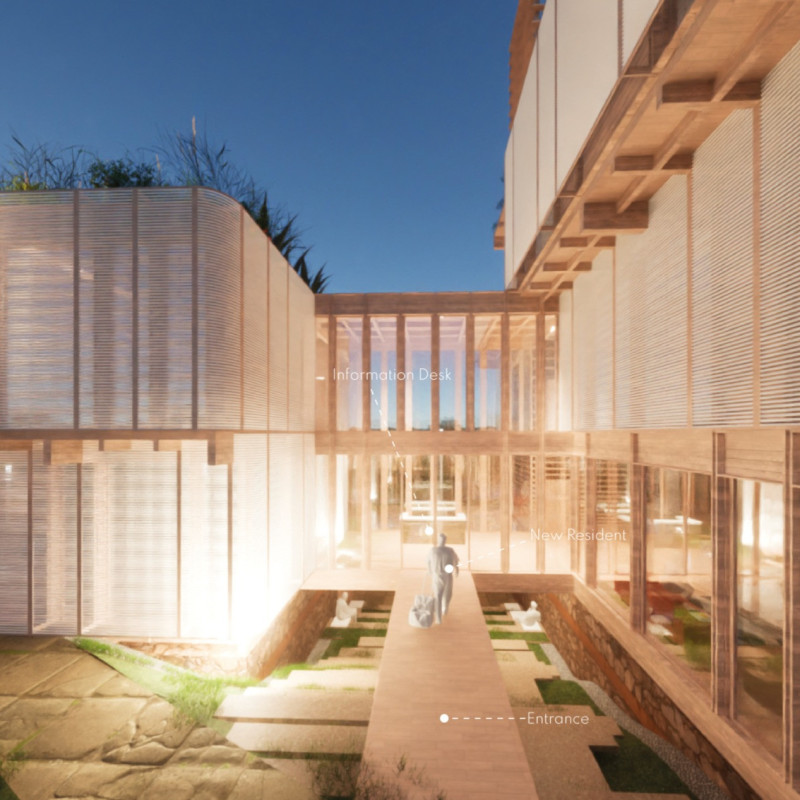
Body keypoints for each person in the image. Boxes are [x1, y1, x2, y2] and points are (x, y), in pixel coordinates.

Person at [427, 533, 460, 624]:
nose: (442, 540)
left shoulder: (449, 550)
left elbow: (456, 560)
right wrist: (431, 572)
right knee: (438, 595)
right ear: (438, 540)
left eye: (444, 539)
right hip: (437, 575)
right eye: (440, 539)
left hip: (447, 575)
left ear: (445, 540)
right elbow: (428, 562)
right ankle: (438, 617)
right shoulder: (433, 550)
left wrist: (457, 569)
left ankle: (445, 608)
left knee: (448, 594)